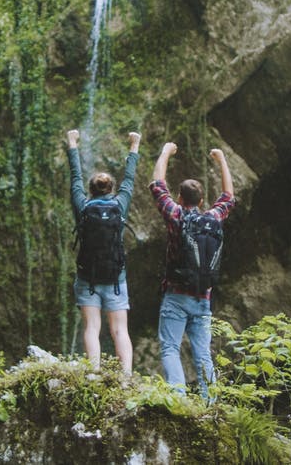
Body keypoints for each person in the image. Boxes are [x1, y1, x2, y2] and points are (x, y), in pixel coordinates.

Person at [149, 142, 236, 395]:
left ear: (179, 197)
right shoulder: (214, 218)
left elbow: (157, 184)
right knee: (203, 356)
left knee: (169, 348)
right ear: (201, 200)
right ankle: (209, 403)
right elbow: (229, 195)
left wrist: (165, 151)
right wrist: (221, 160)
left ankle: (178, 397)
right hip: (203, 297)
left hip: (176, 296)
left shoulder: (176, 216)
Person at [66, 128, 140, 373]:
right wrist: (134, 146)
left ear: (91, 189)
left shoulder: (83, 207)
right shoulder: (120, 205)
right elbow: (129, 179)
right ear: (112, 189)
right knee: (120, 330)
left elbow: (75, 178)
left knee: (92, 328)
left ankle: (95, 373)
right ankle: (126, 377)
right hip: (116, 278)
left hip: (88, 277)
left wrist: (72, 143)